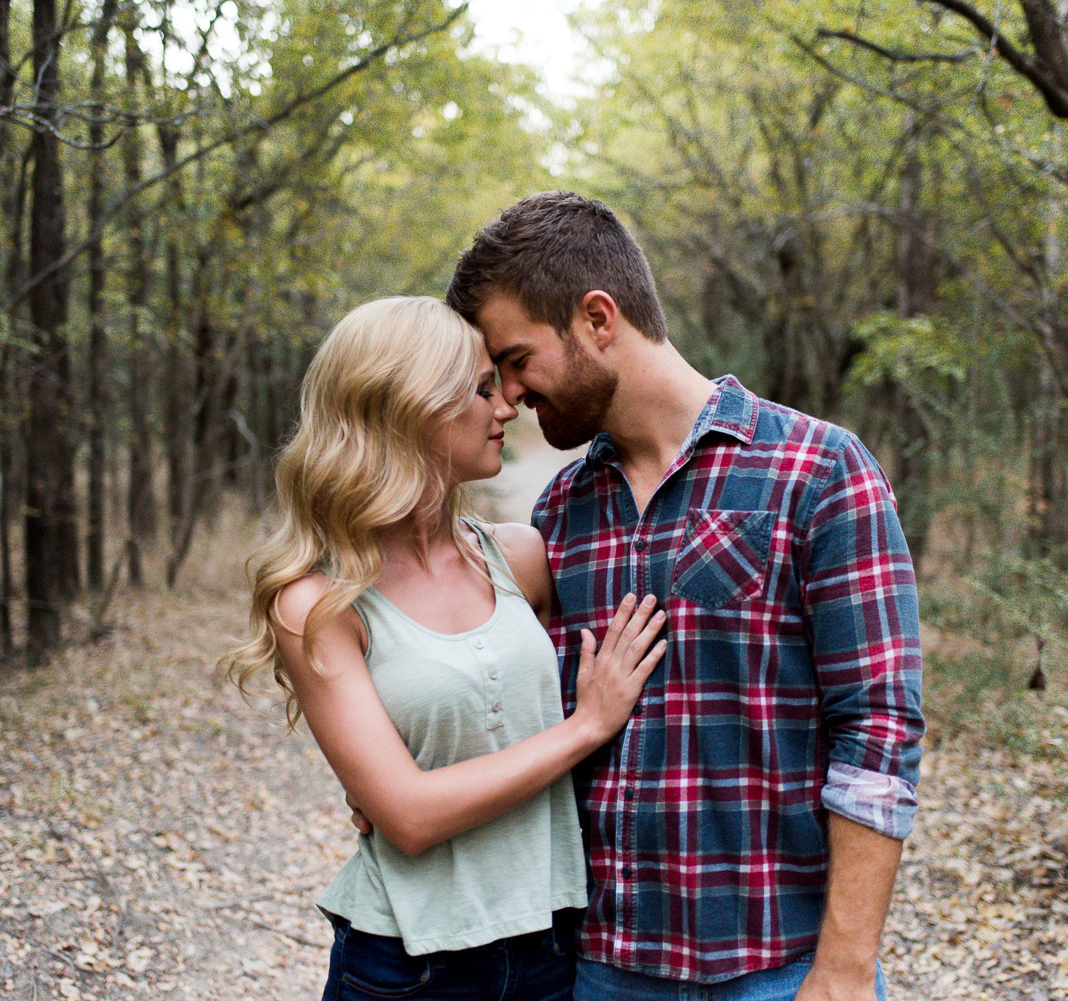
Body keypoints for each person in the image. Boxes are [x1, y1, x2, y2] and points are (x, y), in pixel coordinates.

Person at [442, 192, 926, 1001]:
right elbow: (517, 703)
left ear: (598, 318)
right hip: (601, 967)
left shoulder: (818, 469)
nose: (512, 392)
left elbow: (878, 725)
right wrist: (397, 776)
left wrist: (843, 967)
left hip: (779, 968)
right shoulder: (561, 511)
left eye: (518, 358)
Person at [223, 296, 669, 1001]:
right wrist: (585, 726)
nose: (507, 407)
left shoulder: (520, 557)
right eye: (483, 388)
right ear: (413, 408)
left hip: (551, 949)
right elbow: (408, 815)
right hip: (409, 964)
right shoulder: (316, 604)